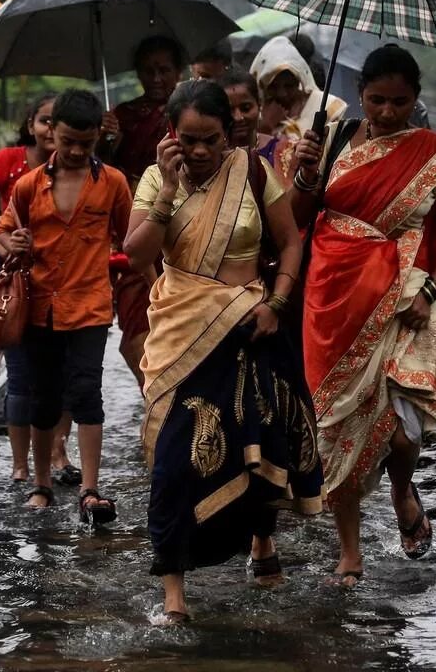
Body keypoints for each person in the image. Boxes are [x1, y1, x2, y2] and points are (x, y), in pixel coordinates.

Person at [124, 80, 323, 623]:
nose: (200, 151)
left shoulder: (254, 172)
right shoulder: (152, 180)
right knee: (171, 464)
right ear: (171, 135)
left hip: (250, 332)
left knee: (255, 450)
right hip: (182, 335)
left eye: (211, 139)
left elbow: (288, 242)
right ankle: (174, 592)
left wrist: (277, 303)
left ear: (228, 134)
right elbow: (134, 251)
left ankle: (261, 542)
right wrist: (166, 189)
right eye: (188, 139)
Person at [290, 44, 436, 587]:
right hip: (331, 299)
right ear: (360, 95)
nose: (387, 113)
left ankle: (399, 489)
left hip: (401, 299)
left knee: (398, 431)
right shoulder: (334, 141)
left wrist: (430, 291)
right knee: (339, 427)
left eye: (399, 101)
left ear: (416, 99)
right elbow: (299, 218)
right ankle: (350, 553)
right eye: (376, 100)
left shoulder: (435, 155)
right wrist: (302, 172)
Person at [0, 89, 133, 519]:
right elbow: (3, 231)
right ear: (50, 132)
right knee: (44, 398)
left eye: (85, 144)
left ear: (97, 139)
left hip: (90, 304)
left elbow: (131, 238)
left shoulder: (112, 182)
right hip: (40, 305)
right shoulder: (28, 186)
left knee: (87, 392)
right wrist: (11, 242)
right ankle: (41, 483)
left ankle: (90, 488)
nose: (74, 151)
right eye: (67, 141)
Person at [0, 94, 77, 487]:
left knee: (67, 370)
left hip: (65, 276)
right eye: (43, 121)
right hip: (13, 275)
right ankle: (20, 465)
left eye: (58, 122)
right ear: (31, 125)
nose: (50, 129)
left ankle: (58, 449)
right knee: (21, 373)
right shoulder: (8, 162)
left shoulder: (78, 166)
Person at [100, 36, 186, 384]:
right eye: (148, 71)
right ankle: (153, 394)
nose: (156, 79)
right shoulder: (122, 116)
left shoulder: (190, 113)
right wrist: (107, 142)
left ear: (178, 72)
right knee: (136, 324)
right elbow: (104, 174)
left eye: (164, 70)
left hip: (182, 221)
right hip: (133, 221)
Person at [250, 36, 347, 142]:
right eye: (273, 87)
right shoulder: (256, 114)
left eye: (289, 86)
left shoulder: (325, 106)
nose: (282, 93)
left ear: (300, 80)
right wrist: (266, 127)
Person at [220, 69, 292, 183]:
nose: (238, 117)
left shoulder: (283, 151)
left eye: (246, 108)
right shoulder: (213, 156)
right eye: (230, 110)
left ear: (259, 105)